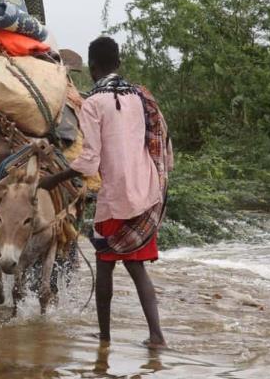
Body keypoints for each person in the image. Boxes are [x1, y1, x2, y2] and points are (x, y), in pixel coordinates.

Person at [40, 36, 171, 349]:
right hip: (147, 190)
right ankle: (156, 336)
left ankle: (104, 338)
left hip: (116, 197)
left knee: (104, 265)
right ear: (119, 63)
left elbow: (89, 161)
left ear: (93, 67)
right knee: (136, 267)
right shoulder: (140, 96)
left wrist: (53, 180)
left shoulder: (93, 104)